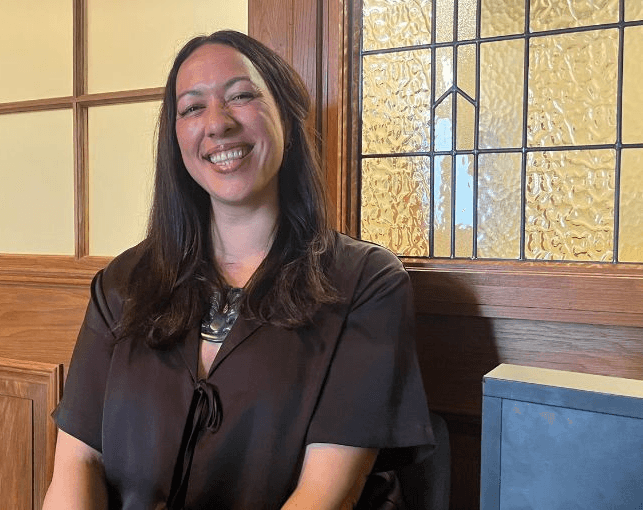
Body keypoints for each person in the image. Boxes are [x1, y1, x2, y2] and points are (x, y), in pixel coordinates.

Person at [42, 30, 435, 510]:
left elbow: (325, 495)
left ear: (286, 116)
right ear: (175, 138)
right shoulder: (123, 284)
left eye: (242, 96)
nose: (217, 124)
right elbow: (76, 466)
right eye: (191, 108)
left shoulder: (365, 282)